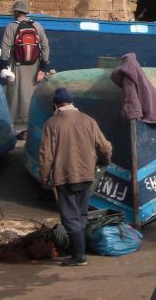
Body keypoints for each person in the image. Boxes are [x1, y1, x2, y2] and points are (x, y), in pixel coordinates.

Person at [37, 87, 112, 267]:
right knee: (81, 214)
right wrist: (104, 161)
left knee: (70, 218)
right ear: (71, 103)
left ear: (55, 105)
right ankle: (80, 250)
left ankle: (79, 256)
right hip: (87, 175)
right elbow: (105, 147)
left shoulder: (52, 124)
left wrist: (44, 177)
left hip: (65, 177)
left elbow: (46, 155)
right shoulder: (88, 120)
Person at [0, 1, 50, 135]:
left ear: (16, 12)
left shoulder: (11, 27)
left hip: (17, 67)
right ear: (26, 12)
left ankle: (14, 128)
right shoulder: (37, 26)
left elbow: (5, 48)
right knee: (31, 96)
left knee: (14, 97)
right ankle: (29, 127)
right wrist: (43, 68)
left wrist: (4, 67)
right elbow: (45, 46)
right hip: (34, 67)